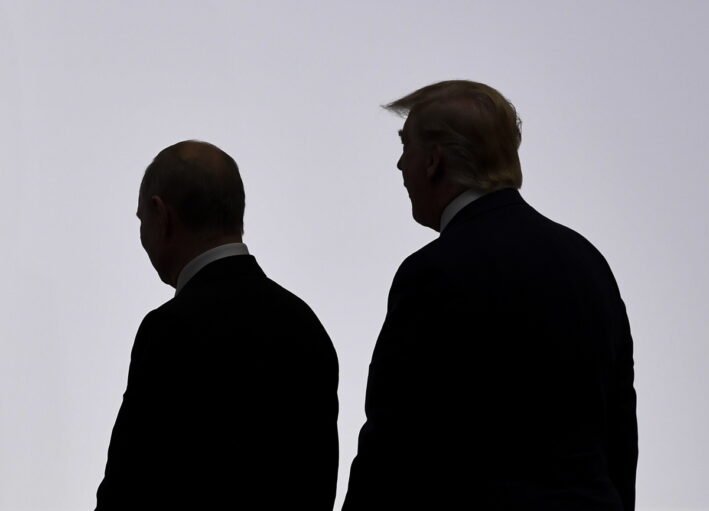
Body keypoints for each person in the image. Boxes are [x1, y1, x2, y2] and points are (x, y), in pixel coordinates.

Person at [343, 81, 638, 511]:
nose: (398, 165)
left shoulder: (434, 271)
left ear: (433, 161)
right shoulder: (587, 262)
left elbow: (394, 441)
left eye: (405, 146)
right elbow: (618, 428)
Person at [95, 140, 339, 510]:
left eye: (141, 219)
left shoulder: (169, 330)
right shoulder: (305, 324)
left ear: (162, 216)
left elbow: (130, 485)